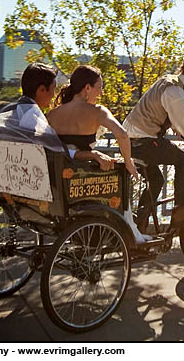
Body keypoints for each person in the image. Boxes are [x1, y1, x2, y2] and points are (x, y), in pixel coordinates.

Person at [47, 65, 150, 243]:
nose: (100, 93)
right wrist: (128, 162)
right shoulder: (97, 111)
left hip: (61, 178)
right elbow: (122, 135)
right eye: (99, 88)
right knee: (121, 173)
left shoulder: (52, 115)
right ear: (87, 88)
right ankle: (127, 228)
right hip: (85, 177)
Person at [123, 51, 184, 230]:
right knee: (183, 160)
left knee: (157, 180)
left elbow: (159, 110)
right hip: (145, 140)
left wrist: (174, 125)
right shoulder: (175, 92)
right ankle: (180, 212)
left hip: (130, 140)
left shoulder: (166, 80)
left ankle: (138, 226)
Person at [0, 62, 115, 171]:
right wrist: (92, 154)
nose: (53, 96)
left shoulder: (10, 110)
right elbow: (58, 154)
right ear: (41, 90)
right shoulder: (33, 118)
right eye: (53, 89)